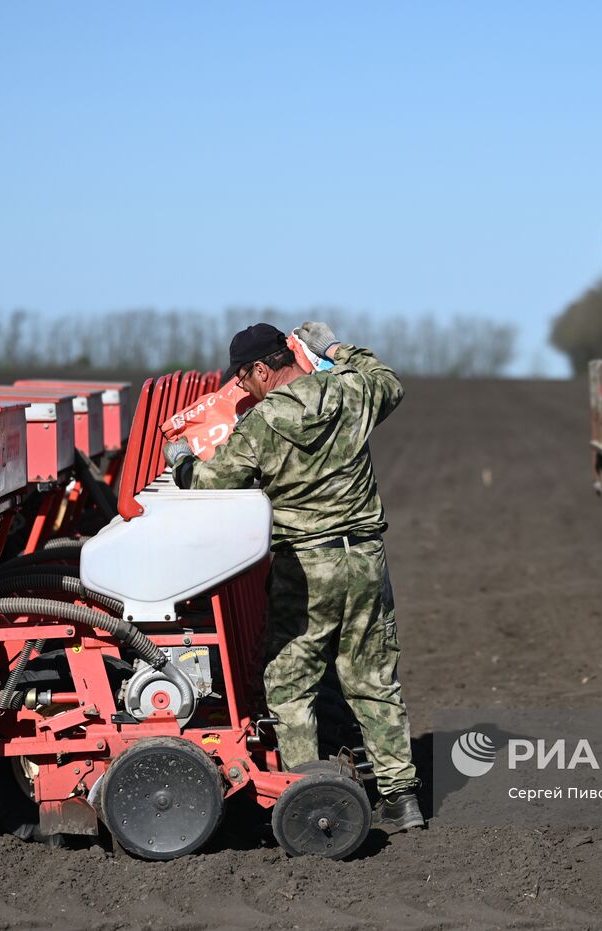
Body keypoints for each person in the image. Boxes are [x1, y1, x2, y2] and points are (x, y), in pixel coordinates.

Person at [162, 321, 424, 832]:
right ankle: (402, 798)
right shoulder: (349, 391)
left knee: (290, 682)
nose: (244, 391)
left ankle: (309, 794)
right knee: (372, 677)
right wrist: (332, 345)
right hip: (366, 558)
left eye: (244, 380)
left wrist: (181, 463)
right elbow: (387, 378)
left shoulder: (264, 422)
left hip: (306, 566)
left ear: (262, 369)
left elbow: (215, 482)